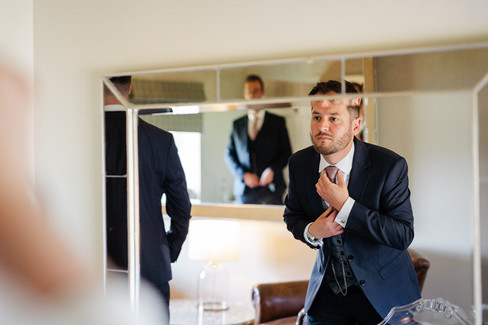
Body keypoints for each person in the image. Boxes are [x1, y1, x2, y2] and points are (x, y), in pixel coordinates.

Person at [0, 65, 165, 324]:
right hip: (149, 258)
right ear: (130, 88)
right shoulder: (160, 139)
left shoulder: (65, 133)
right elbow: (181, 203)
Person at [283, 80, 420, 324]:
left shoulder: (389, 166)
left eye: (333, 118)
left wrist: (346, 206)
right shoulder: (299, 163)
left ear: (355, 125)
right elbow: (292, 214)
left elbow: (402, 234)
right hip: (326, 295)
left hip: (383, 297)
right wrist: (311, 231)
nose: (322, 126)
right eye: (316, 117)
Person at [104, 76, 192, 323]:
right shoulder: (160, 140)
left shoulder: (77, 137)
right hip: (152, 264)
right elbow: (181, 208)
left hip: (92, 269)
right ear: (130, 87)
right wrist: (167, 248)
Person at [225, 74, 292, 205]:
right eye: (248, 91)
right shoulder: (237, 124)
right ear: (244, 94)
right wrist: (243, 175)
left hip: (272, 190)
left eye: (255, 91)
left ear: (262, 92)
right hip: (244, 191)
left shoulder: (278, 122)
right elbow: (229, 155)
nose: (252, 95)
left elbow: (287, 153)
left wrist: (272, 170)